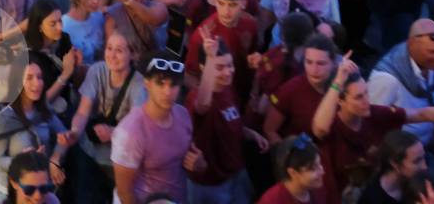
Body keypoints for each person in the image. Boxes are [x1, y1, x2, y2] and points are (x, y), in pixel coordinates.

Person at [313, 54, 434, 202]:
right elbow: (320, 128)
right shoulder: (331, 124)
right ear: (340, 101)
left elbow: (420, 114)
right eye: (359, 97)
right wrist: (338, 81)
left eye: (366, 93)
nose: (366, 100)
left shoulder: (374, 114)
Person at [186, 28, 265, 203]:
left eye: (230, 65)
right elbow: (203, 105)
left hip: (235, 175)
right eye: (219, 67)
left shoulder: (228, 89)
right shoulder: (197, 96)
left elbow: (229, 119)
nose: (228, 72)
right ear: (203, 68)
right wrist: (211, 58)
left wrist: (248, 133)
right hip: (210, 184)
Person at [67, 30, 146, 201]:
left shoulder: (139, 85)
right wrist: (74, 132)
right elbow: (82, 112)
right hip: (91, 151)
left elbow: (138, 131)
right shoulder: (97, 70)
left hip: (119, 162)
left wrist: (113, 133)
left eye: (119, 50)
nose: (112, 55)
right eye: (109, 48)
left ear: (132, 54)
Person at [111, 53, 197, 204]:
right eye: (160, 83)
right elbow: (124, 192)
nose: (167, 92)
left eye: (173, 84)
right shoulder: (131, 132)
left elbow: (184, 160)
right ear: (147, 83)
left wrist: (199, 164)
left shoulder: (183, 115)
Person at [0, 62, 69, 203]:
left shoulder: (43, 108)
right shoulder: (3, 119)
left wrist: (54, 159)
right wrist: (25, 160)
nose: (37, 82)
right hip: (12, 193)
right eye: (29, 78)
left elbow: (64, 134)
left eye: (39, 77)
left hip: (40, 191)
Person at [368, 19, 434, 147]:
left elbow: (433, 96)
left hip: (427, 142)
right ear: (411, 44)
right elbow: (371, 123)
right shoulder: (386, 79)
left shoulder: (428, 64)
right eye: (433, 52)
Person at [264, 35, 337, 144]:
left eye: (321, 63)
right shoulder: (291, 90)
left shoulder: (342, 85)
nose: (314, 70)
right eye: (309, 62)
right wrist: (288, 157)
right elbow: (269, 130)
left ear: (333, 63)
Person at [358, 130, 426, 204]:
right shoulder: (373, 198)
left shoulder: (420, 181)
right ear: (395, 164)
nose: (424, 166)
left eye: (424, 157)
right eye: (416, 161)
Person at [258, 133, 326, 204]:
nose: (322, 171)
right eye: (313, 168)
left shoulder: (318, 188)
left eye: (319, 164)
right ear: (293, 173)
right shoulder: (272, 201)